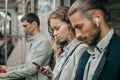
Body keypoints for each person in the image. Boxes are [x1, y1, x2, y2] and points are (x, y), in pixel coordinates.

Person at [68, 0, 120, 80]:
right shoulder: (85, 54)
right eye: (74, 29)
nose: (77, 35)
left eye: (80, 26)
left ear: (98, 17)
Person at [38, 6, 87, 80]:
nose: (54, 33)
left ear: (70, 26)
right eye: (53, 30)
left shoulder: (81, 49)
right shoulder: (64, 49)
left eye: (57, 28)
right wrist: (51, 74)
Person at [0, 13, 53, 80]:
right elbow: (27, 65)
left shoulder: (43, 42)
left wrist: (7, 74)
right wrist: (9, 69)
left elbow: (32, 69)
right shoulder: (34, 41)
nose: (23, 29)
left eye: (25, 26)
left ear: (34, 24)